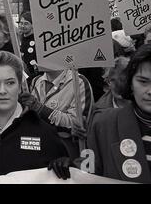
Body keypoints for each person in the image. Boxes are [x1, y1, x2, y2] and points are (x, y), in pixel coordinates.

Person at [87, 44, 151, 183]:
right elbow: (89, 170)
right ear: (130, 83)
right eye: (143, 81)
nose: (150, 91)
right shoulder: (102, 124)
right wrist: (71, 169)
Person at [23, 67, 94, 159]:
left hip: (65, 153)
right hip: (38, 149)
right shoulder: (36, 81)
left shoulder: (78, 81)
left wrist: (40, 108)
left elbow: (77, 125)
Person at [19, 11, 40, 82]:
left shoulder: (37, 40)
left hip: (33, 79)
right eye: (21, 23)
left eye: (26, 24)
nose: (22, 26)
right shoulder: (18, 38)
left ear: (33, 25)